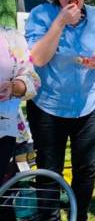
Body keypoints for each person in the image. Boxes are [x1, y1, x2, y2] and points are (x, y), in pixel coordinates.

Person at [25, 0, 95, 221]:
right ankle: (50, 218)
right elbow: (38, 59)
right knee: (49, 170)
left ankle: (80, 215)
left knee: (85, 169)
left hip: (89, 104)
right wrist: (60, 23)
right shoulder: (41, 16)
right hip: (48, 106)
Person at [0, 27, 40, 221]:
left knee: (4, 201)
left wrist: (15, 87)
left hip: (4, 134)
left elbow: (32, 80)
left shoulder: (11, 37)